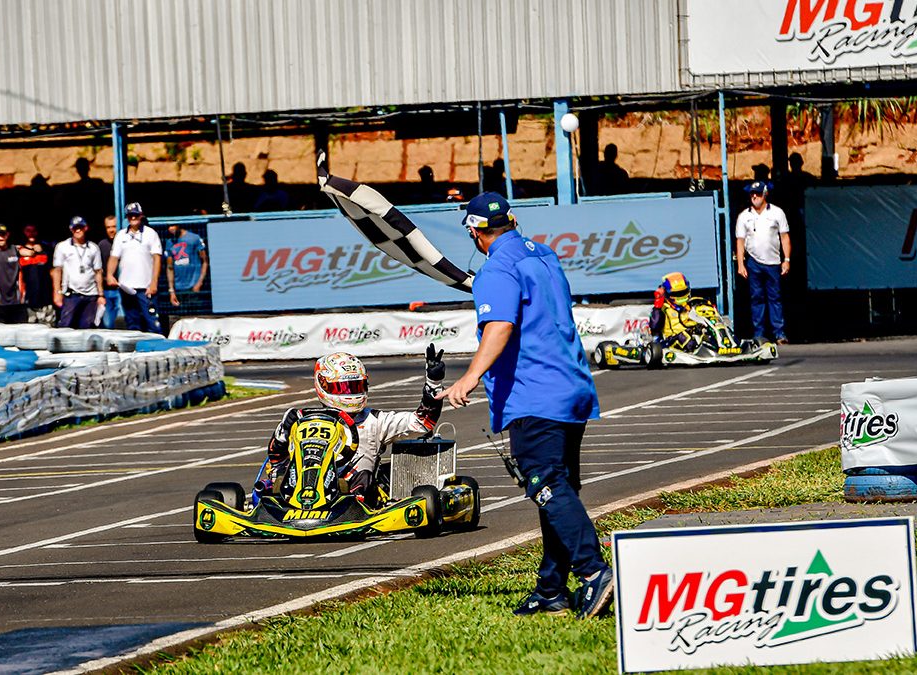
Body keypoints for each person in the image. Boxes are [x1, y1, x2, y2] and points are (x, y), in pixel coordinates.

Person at [438, 192, 612, 620]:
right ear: (511, 221)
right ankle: (551, 590)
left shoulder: (495, 267)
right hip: (572, 385)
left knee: (545, 484)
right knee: (559, 487)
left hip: (536, 393)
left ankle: (594, 572)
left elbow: (500, 325)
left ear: (475, 232)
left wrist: (469, 377)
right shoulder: (545, 255)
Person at [257, 346, 446, 505]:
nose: (351, 393)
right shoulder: (300, 419)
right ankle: (281, 503)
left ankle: (353, 507)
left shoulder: (374, 420)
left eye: (356, 387)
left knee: (364, 475)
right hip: (301, 488)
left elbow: (422, 423)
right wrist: (282, 432)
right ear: (324, 385)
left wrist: (433, 384)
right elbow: (276, 459)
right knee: (276, 477)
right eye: (344, 388)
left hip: (350, 490)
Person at [736, 180, 791, 345]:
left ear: (764, 194)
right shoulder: (744, 216)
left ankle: (779, 333)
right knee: (756, 298)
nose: (754, 197)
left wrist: (786, 259)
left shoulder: (777, 213)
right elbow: (740, 240)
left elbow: (784, 237)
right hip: (754, 262)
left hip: (773, 262)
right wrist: (740, 263)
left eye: (758, 194)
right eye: (752, 194)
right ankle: (759, 334)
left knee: (775, 298)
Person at [107, 202, 163, 334]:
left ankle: (158, 351)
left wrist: (154, 282)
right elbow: (114, 257)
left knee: (153, 323)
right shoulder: (121, 235)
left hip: (146, 287)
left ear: (141, 215)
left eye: (136, 215)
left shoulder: (150, 234)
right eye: (130, 215)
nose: (133, 218)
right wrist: (110, 274)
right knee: (132, 324)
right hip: (127, 288)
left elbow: (157, 258)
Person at [52, 216, 105, 329]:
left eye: (80, 227)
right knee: (66, 326)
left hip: (90, 294)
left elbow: (98, 272)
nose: (78, 230)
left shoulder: (93, 248)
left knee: (87, 327)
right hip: (72, 294)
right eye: (75, 228)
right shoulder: (62, 247)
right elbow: (57, 271)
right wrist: (57, 292)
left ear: (86, 228)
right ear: (71, 229)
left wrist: (100, 294)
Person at [648, 272, 704, 353]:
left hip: (691, 333)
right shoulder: (663, 308)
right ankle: (696, 350)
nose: (681, 296)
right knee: (684, 337)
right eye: (676, 293)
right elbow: (654, 326)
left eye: (683, 292)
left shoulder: (692, 305)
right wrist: (658, 306)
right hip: (671, 339)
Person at [0, 224, 27, 324]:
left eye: (3, 234)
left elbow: (32, 252)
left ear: (7, 235)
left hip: (17, 301)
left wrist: (34, 249)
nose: (0, 238)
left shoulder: (16, 250)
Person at [17, 224, 56, 326]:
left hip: (46, 300)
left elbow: (54, 271)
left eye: (33, 230)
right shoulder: (17, 251)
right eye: (28, 230)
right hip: (27, 302)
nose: (31, 233)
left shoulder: (47, 249)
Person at [164, 222, 207, 308]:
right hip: (178, 289)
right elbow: (170, 267)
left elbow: (204, 261)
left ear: (178, 225)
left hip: (193, 287)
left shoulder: (194, 238)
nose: (170, 228)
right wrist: (171, 291)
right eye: (168, 226)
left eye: (172, 225)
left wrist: (199, 283)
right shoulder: (169, 242)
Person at [97, 216, 122, 328]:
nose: (111, 230)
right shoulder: (102, 245)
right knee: (107, 323)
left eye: (114, 226)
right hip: (107, 290)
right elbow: (98, 269)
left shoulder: (124, 243)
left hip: (122, 290)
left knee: (122, 321)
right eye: (108, 227)